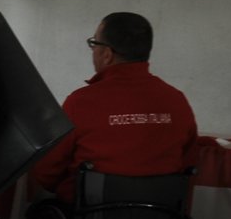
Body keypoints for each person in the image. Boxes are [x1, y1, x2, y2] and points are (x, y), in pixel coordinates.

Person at [30, 12, 198, 203]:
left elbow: (47, 173)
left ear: (107, 54)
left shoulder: (81, 103)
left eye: (94, 43)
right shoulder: (177, 101)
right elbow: (189, 167)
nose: (92, 50)